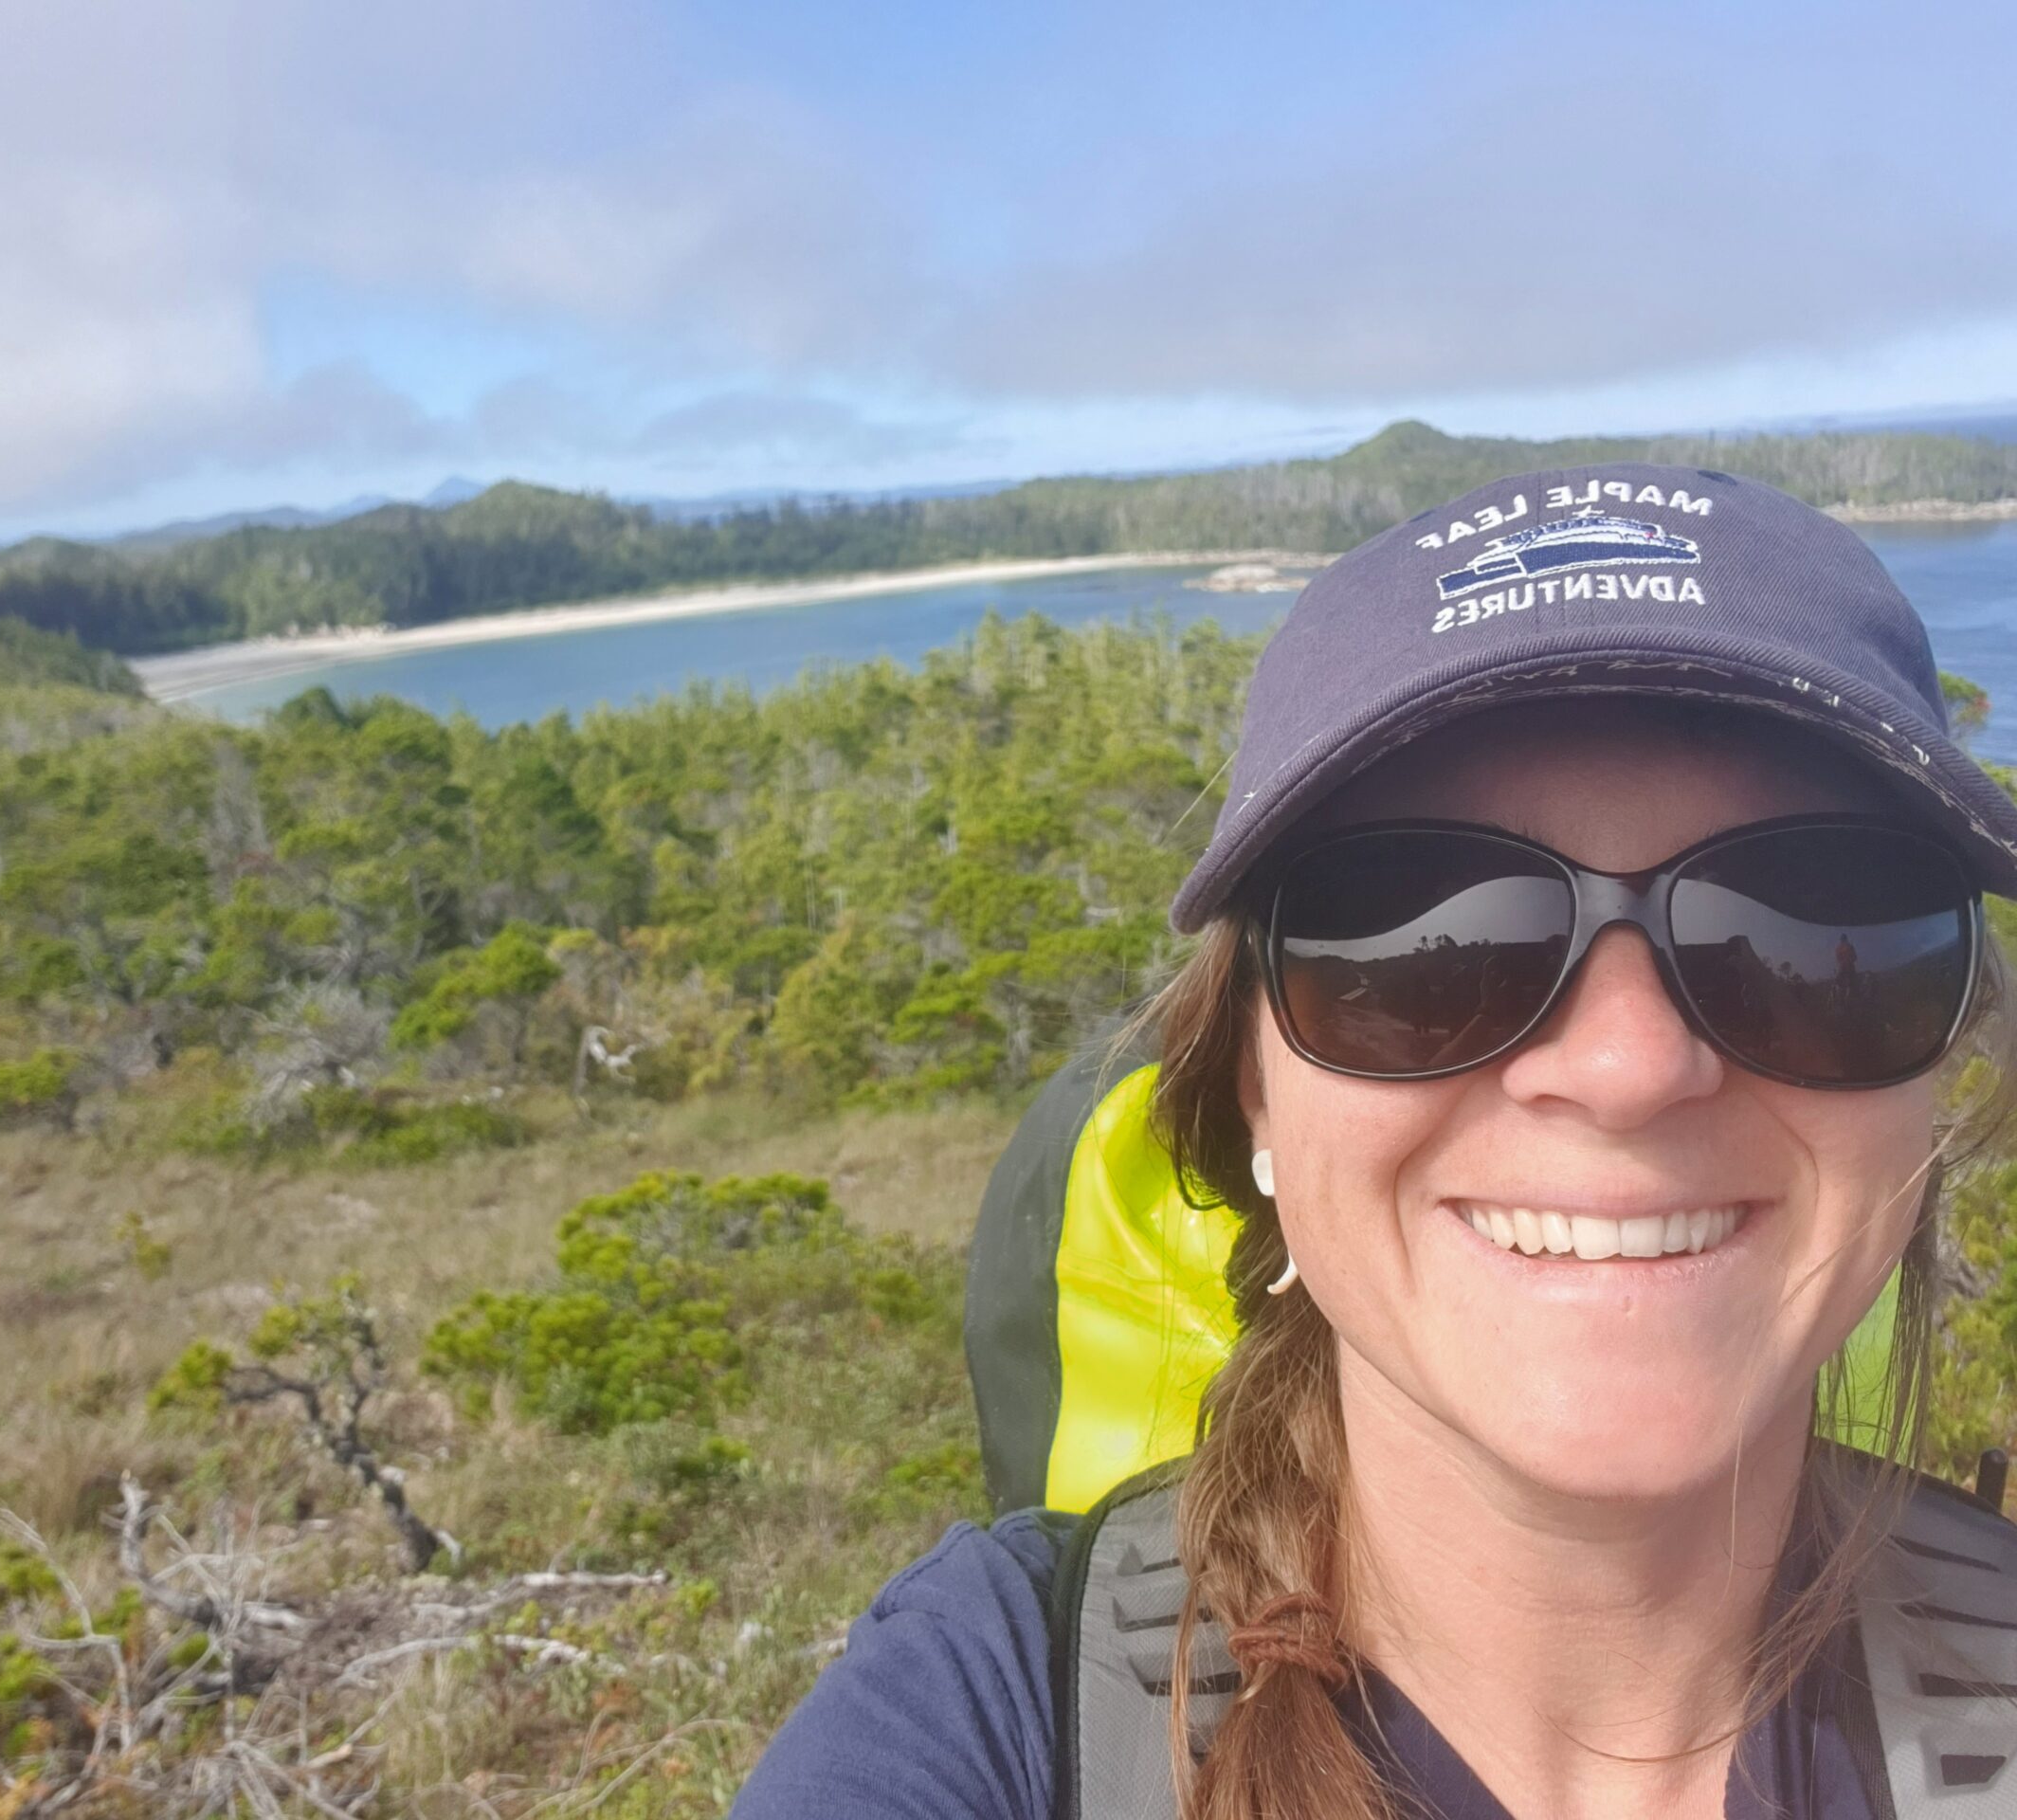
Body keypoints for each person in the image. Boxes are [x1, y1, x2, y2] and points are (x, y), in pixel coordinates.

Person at [731, 464, 2017, 1820]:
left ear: (1934, 1083)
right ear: (1254, 1101)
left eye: (1817, 935)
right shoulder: (987, 1715)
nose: (1630, 1067)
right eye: (1416, 950)